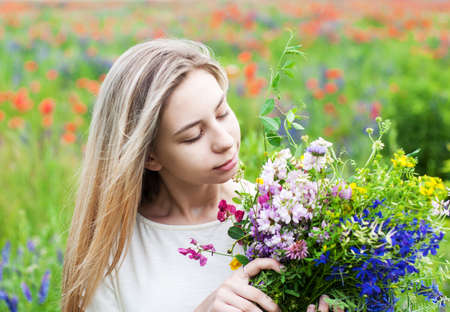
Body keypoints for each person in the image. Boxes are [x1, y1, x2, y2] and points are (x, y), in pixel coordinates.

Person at [61, 38, 342, 312]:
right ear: (150, 156)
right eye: (194, 135)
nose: (225, 141)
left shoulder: (284, 216)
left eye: (221, 113)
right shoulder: (111, 255)